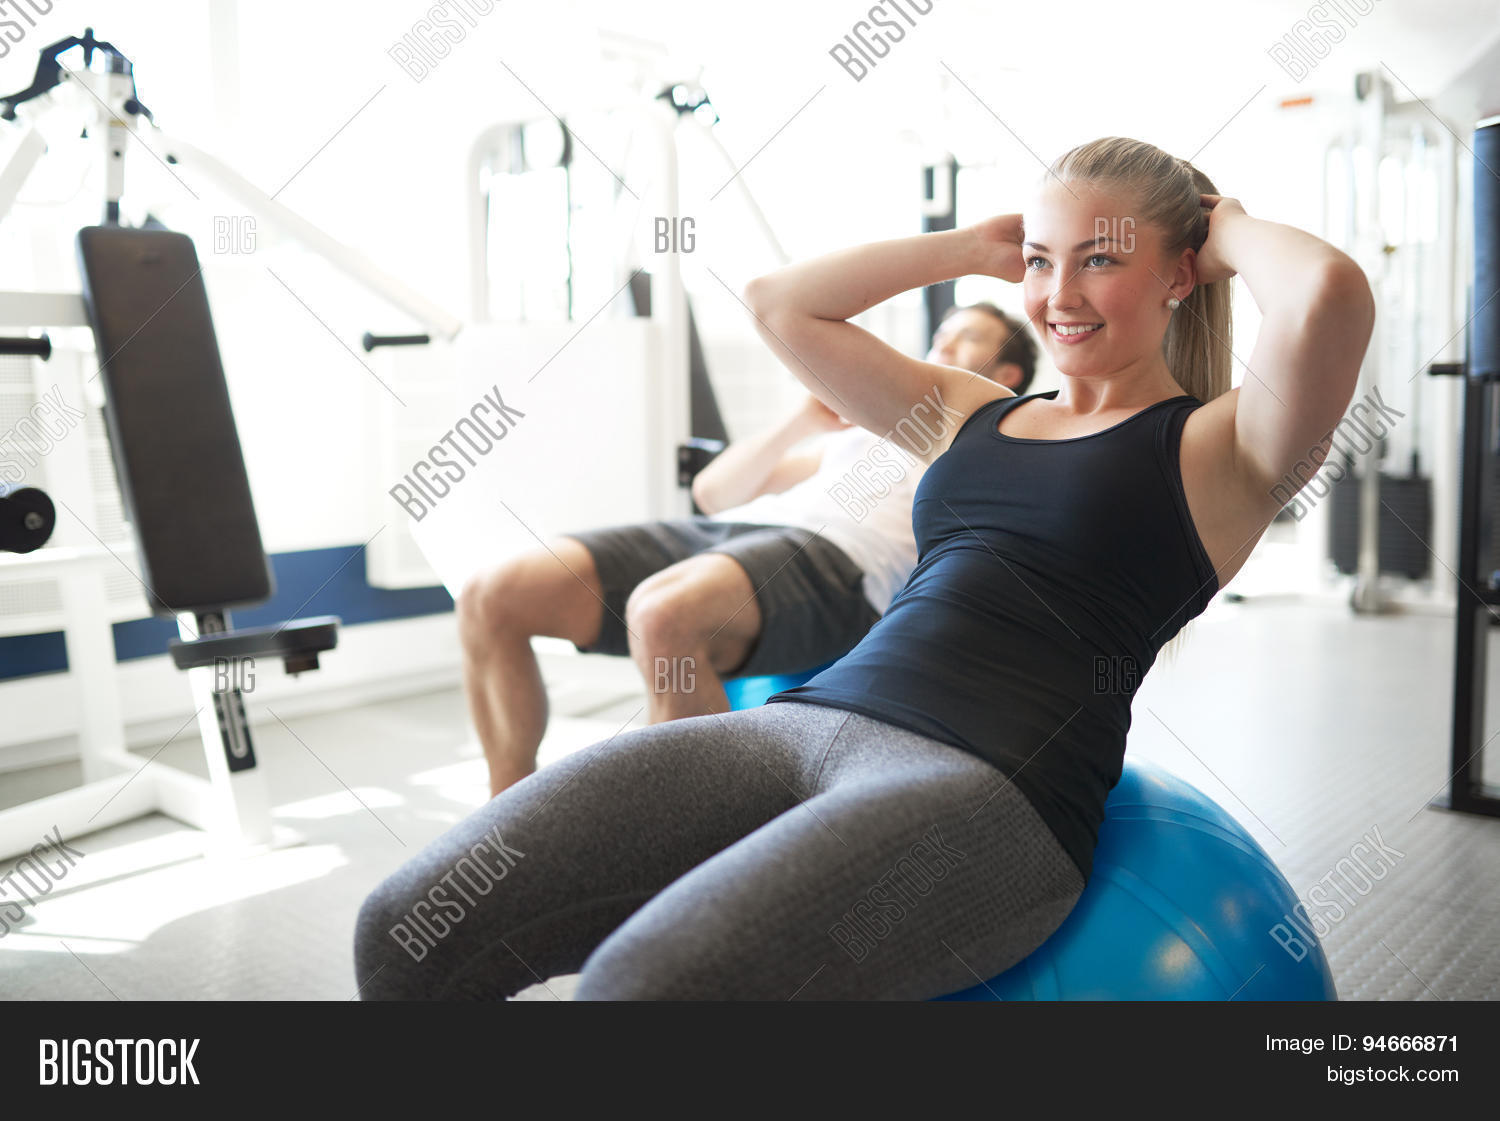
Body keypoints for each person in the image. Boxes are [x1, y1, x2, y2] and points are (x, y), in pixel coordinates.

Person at [356, 136, 1375, 1000]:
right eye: (1039, 260)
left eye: (1099, 260)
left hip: (989, 786)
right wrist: (969, 248)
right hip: (802, 722)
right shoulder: (972, 412)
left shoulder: (1219, 450)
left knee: (639, 988)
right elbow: (780, 304)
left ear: (1180, 273)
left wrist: (1223, 219)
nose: (1057, 294)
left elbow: (1326, 291)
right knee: (402, 929)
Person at [456, 303, 1034, 795]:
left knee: (663, 614)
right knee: (492, 595)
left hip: (841, 560)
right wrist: (801, 422)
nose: (945, 343)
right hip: (743, 528)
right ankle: (505, 821)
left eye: (969, 338)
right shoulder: (865, 431)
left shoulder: (991, 444)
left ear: (1007, 373)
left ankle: (679, 848)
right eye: (943, 333)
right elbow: (712, 493)